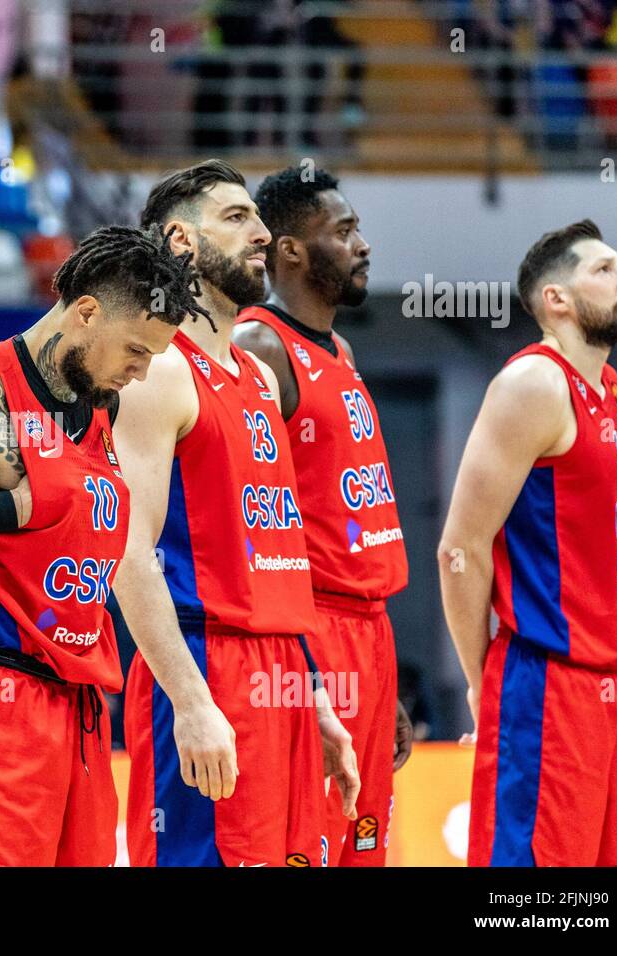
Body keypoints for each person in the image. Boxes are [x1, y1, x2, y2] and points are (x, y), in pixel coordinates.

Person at [0, 225, 205, 866]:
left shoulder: (102, 405)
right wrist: (3, 511)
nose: (141, 373)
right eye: (136, 351)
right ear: (86, 311)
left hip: (83, 709)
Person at [117, 160, 359, 867]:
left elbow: (279, 554)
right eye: (235, 218)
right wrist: (189, 702)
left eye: (257, 217)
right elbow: (127, 554)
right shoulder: (160, 370)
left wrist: (311, 695)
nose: (261, 234)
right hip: (206, 663)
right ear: (180, 242)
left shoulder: (256, 374)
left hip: (280, 668)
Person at [438, 219, 617, 866]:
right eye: (605, 270)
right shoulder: (533, 385)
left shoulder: (611, 390)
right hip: (551, 685)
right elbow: (461, 548)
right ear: (557, 299)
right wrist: (484, 682)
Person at [234, 165, 413, 866]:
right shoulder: (259, 349)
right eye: (343, 231)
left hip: (371, 633)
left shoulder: (340, 350)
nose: (362, 244)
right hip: (313, 630)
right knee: (307, 844)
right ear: (290, 252)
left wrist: (384, 686)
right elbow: (258, 526)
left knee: (364, 846)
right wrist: (309, 672)